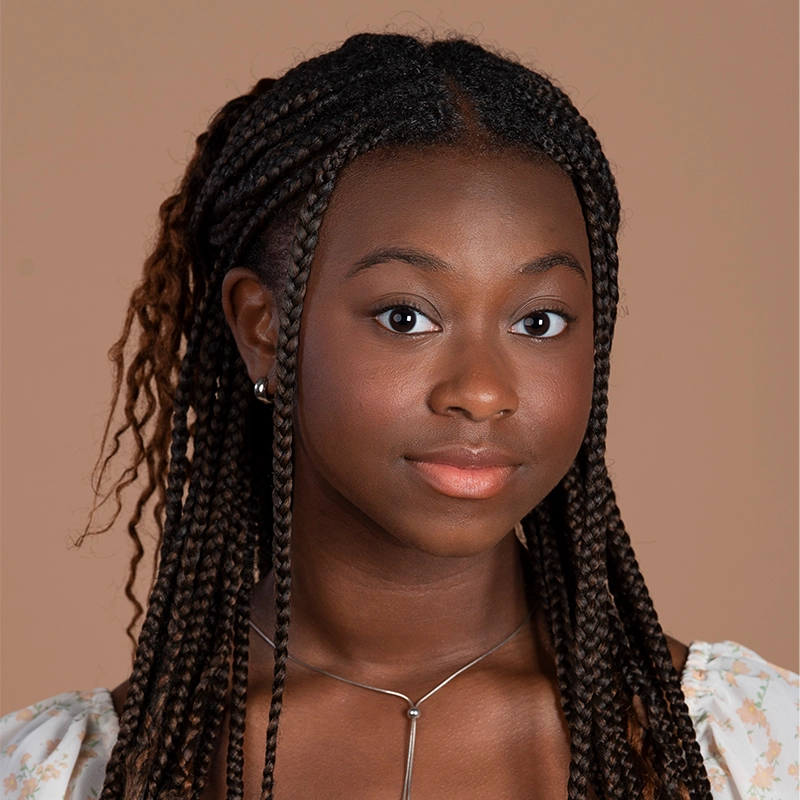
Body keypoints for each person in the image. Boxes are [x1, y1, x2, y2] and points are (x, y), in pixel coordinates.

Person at [1, 32, 797, 800]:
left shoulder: (741, 747)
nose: (483, 392)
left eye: (539, 322)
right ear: (262, 327)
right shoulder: (73, 776)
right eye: (405, 317)